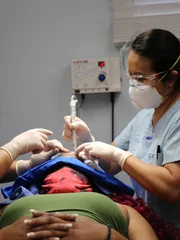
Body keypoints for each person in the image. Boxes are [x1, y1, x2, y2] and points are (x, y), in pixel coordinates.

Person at [63, 29, 180, 229]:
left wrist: (122, 157)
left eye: (142, 78)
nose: (134, 85)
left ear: (171, 79)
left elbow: (172, 189)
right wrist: (86, 141)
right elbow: (109, 167)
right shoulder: (144, 116)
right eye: (131, 77)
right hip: (148, 225)